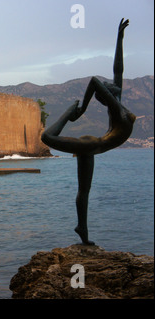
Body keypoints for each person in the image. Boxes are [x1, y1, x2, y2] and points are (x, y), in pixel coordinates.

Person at [41, 19, 135, 245]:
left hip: (93, 146)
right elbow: (94, 81)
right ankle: (68, 111)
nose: (113, 84)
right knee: (46, 137)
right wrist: (80, 109)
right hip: (91, 144)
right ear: (108, 96)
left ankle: (82, 228)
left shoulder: (118, 104)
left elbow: (118, 69)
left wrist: (119, 38)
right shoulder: (117, 110)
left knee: (84, 191)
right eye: (110, 87)